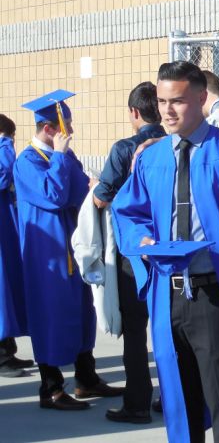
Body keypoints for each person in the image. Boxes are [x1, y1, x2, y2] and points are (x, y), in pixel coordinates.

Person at [111, 62, 219, 443]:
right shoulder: (152, 157)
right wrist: (142, 239)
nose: (167, 110)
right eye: (163, 101)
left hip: (214, 293)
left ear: (201, 99)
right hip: (167, 295)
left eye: (177, 101)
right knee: (179, 404)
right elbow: (128, 210)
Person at [14, 90, 123, 410]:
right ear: (50, 129)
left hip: (74, 248)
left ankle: (86, 379)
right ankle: (51, 389)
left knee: (81, 312)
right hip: (45, 255)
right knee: (50, 316)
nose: (71, 131)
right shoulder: (28, 161)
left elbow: (82, 190)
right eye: (67, 125)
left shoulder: (66, 156)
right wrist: (61, 158)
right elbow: (55, 195)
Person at [92, 81, 166, 424]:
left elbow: (101, 198)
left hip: (132, 253)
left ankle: (137, 402)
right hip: (167, 249)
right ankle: (171, 397)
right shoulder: (172, 142)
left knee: (136, 332)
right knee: (168, 329)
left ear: (134, 112)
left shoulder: (125, 149)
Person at [0, 114, 33, 378]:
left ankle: (7, 350)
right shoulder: (4, 153)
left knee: (8, 291)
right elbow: (4, 172)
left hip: (6, 233)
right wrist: (4, 144)